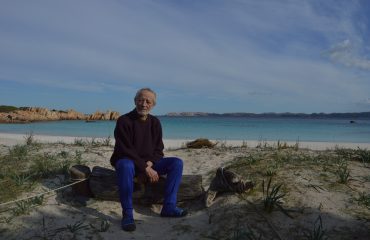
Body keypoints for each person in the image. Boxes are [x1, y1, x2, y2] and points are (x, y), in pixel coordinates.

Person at [110, 88, 187, 232]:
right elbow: (125, 149)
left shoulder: (155, 122)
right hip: (127, 161)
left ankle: (169, 207)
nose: (144, 104)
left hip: (148, 163)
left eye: (148, 101)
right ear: (135, 101)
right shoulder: (124, 121)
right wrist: (145, 168)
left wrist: (150, 163)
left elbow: (159, 150)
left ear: (153, 105)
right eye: (140, 100)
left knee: (177, 163)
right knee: (126, 165)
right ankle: (127, 214)